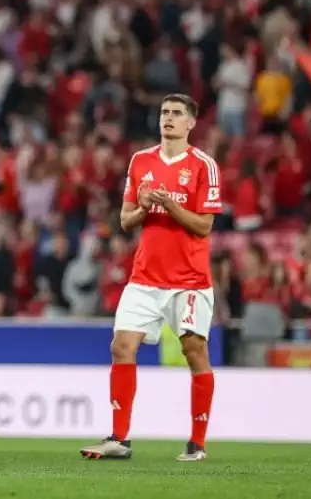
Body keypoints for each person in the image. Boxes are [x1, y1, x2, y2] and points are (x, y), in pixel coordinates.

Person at [81, 93, 221, 462]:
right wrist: (143, 206)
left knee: (194, 351)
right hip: (145, 277)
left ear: (191, 122)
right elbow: (125, 220)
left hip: (189, 279)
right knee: (121, 346)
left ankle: (197, 442)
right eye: (164, 113)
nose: (168, 119)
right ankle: (119, 439)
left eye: (177, 114)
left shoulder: (204, 165)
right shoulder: (141, 161)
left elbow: (204, 226)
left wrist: (171, 205)